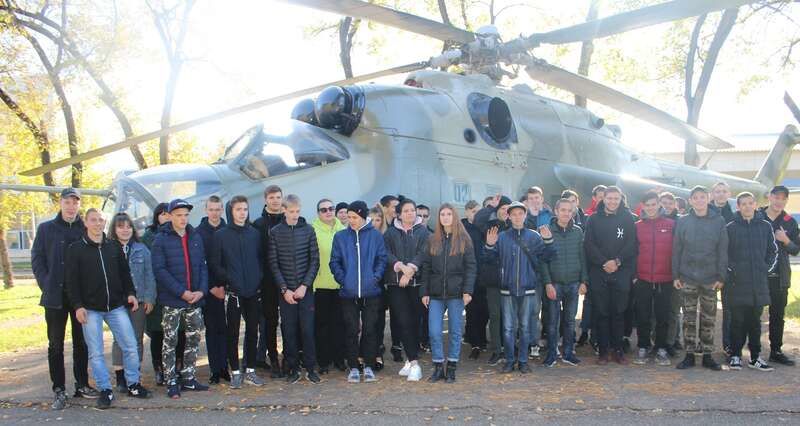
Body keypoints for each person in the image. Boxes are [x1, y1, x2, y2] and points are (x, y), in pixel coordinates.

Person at [65, 209, 150, 409]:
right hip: (90, 309)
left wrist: (130, 293)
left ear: (105, 223)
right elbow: (71, 282)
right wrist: (78, 306)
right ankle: (105, 389)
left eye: (101, 220)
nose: (97, 224)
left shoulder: (113, 246)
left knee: (130, 345)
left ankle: (133, 384)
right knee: (96, 352)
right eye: (93, 220)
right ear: (86, 223)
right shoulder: (75, 249)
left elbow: (125, 274)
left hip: (116, 307)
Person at [31, 188, 97, 409]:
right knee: (55, 344)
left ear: (79, 205)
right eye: (67, 202)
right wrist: (46, 283)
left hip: (80, 298)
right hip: (55, 297)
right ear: (60, 203)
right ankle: (59, 389)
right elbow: (37, 258)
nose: (71, 206)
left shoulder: (85, 229)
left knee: (82, 343)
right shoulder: (46, 229)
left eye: (75, 202)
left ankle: (82, 384)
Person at [484, 201, 555, 374]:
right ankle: (509, 361)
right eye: (513, 214)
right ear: (508, 217)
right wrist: (489, 245)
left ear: (525, 215)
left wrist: (548, 241)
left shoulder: (534, 236)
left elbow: (548, 257)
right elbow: (489, 260)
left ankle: (523, 361)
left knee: (525, 327)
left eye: (520, 213)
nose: (517, 217)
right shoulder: (502, 237)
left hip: (528, 288)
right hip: (507, 289)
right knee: (508, 328)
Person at [151, 199, 210, 398]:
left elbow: (202, 266)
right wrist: (181, 292)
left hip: (195, 299)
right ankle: (171, 381)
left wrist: (201, 291)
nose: (183, 219)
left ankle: (189, 378)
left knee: (193, 338)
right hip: (172, 300)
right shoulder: (161, 239)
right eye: (178, 215)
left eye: (186, 215)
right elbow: (160, 271)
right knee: (170, 341)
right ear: (169, 216)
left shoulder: (195, 236)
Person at [210, 195, 267, 388]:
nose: (242, 213)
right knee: (232, 333)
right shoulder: (221, 235)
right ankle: (235, 371)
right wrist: (229, 280)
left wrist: (258, 278)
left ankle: (250, 369)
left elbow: (260, 259)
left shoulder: (254, 234)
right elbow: (215, 264)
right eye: (238, 209)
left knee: (253, 331)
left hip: (253, 291)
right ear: (231, 211)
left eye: (245, 209)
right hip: (233, 293)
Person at [330, 201, 388, 383]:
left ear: (363, 216)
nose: (351, 220)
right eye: (349, 217)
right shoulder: (340, 237)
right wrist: (344, 280)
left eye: (354, 217)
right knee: (351, 330)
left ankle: (369, 366)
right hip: (349, 293)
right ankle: (354, 367)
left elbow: (382, 259)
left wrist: (374, 278)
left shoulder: (375, 236)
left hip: (371, 292)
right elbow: (334, 262)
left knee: (370, 329)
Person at [672, 186, 728, 371]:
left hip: (710, 278)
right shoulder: (683, 221)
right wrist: (675, 275)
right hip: (687, 277)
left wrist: (721, 276)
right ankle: (689, 355)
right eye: (695, 197)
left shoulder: (718, 221)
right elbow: (677, 249)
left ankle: (707, 355)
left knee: (708, 318)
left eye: (702, 197)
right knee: (688, 318)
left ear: (708, 198)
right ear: (690, 201)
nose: (699, 200)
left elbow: (722, 250)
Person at [269, 194, 321, 384]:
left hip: (305, 291)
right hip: (286, 293)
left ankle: (310, 368)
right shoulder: (275, 232)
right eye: (291, 211)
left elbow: (314, 261)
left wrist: (304, 286)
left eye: (297, 211)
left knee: (307, 330)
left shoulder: (308, 230)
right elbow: (273, 263)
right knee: (289, 330)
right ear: (284, 210)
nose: (295, 215)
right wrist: (285, 289)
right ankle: (293, 368)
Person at [422, 204, 477, 383]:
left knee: (455, 331)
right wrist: (424, 292)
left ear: (454, 216)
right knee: (434, 331)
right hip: (436, 294)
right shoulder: (432, 239)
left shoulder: (463, 239)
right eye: (442, 214)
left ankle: (452, 366)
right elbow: (426, 267)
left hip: (456, 293)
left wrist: (468, 290)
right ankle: (438, 366)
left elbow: (471, 267)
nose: (445, 217)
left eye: (449, 214)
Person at [583, 186, 637, 365]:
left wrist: (617, 261)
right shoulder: (593, 219)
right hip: (599, 272)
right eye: (610, 198)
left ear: (621, 199)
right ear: (603, 199)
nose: (613, 202)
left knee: (619, 312)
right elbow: (589, 244)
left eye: (616, 199)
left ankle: (618, 350)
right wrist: (604, 262)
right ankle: (603, 351)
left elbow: (632, 244)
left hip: (621, 271)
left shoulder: (627, 218)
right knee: (602, 313)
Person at [726, 192, 778, 371]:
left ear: (755, 205)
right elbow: (725, 254)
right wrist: (733, 271)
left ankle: (755, 357)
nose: (747, 206)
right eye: (744, 204)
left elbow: (772, 251)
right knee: (737, 322)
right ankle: (735, 355)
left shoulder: (765, 226)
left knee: (755, 323)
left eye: (750, 203)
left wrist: (765, 269)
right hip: (737, 284)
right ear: (738, 207)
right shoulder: (731, 228)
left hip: (758, 284)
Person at [108, 213, 156, 391]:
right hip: (117, 303)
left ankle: (134, 376)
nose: (125, 230)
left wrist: (150, 298)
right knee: (119, 339)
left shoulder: (141, 249)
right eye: (121, 227)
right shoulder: (108, 249)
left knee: (136, 339)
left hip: (140, 300)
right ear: (114, 229)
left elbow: (150, 275)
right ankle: (120, 378)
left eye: (128, 227)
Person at [383, 198, 429, 381]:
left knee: (415, 322)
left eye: (412, 210)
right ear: (399, 214)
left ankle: (410, 359)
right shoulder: (390, 233)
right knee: (403, 321)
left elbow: (424, 253)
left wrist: (410, 270)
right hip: (396, 285)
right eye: (406, 211)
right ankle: (415, 363)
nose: (410, 213)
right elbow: (386, 253)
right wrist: (400, 266)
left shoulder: (423, 231)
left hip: (416, 284)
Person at [540, 199, 588, 367]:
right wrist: (547, 283)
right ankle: (552, 353)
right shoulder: (547, 231)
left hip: (573, 283)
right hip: (555, 283)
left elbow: (582, 257)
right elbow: (543, 261)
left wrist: (584, 280)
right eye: (563, 210)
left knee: (569, 321)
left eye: (569, 210)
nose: (566, 213)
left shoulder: (578, 231)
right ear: (556, 211)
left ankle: (568, 352)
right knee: (552, 321)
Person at [757, 185, 800, 366]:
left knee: (777, 316)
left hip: (779, 277)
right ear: (769, 197)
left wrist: (786, 240)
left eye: (783, 198)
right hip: (758, 275)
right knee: (753, 315)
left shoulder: (790, 221)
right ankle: (754, 352)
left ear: (786, 200)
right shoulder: (757, 216)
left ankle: (776, 351)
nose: (779, 201)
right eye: (776, 197)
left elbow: (796, 250)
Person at [142, 202, 184, 386]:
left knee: (180, 330)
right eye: (163, 214)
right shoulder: (148, 238)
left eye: (169, 213)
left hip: (179, 291)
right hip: (157, 292)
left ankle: (178, 367)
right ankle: (159, 369)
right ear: (157, 216)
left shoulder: (182, 233)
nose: (167, 217)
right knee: (158, 332)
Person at [632, 191, 675, 366]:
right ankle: (643, 346)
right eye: (647, 205)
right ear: (643, 206)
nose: (650, 208)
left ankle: (661, 348)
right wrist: (634, 276)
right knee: (643, 315)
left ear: (659, 204)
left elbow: (677, 250)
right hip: (643, 278)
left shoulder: (671, 224)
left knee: (662, 316)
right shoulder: (637, 226)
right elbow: (632, 251)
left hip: (665, 278)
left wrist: (675, 274)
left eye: (653, 204)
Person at [474, 195, 512, 366]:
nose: (505, 212)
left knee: (510, 316)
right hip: (493, 279)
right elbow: (478, 220)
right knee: (495, 316)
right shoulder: (490, 226)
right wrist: (491, 206)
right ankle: (497, 349)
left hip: (511, 279)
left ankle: (509, 347)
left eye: (508, 209)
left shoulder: (515, 227)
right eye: (502, 208)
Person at [251, 185, 285, 378]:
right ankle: (273, 360)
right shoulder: (258, 225)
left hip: (288, 280)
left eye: (278, 197)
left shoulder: (290, 220)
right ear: (266, 200)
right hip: (267, 282)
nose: (275, 200)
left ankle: (289, 358)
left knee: (288, 322)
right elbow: (256, 255)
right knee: (270, 322)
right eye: (271, 197)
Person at [195, 196, 229, 385]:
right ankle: (215, 369)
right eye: (211, 209)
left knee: (226, 329)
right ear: (206, 210)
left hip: (228, 288)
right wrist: (211, 287)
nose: (215, 213)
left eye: (218, 209)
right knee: (213, 329)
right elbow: (199, 264)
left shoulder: (228, 230)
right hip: (209, 289)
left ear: (222, 210)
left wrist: (225, 286)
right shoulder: (198, 233)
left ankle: (225, 366)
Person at [312, 199, 347, 374]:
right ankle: (323, 361)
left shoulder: (344, 229)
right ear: (318, 213)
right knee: (322, 325)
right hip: (320, 285)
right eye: (323, 209)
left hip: (340, 285)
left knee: (339, 324)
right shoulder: (312, 230)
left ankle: (339, 358)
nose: (328, 212)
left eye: (331, 208)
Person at [462, 200, 489, 359]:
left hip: (484, 276)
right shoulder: (462, 228)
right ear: (466, 212)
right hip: (469, 276)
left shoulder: (484, 228)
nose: (476, 215)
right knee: (472, 311)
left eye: (478, 212)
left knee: (485, 311)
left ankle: (481, 338)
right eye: (473, 212)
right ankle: (475, 343)